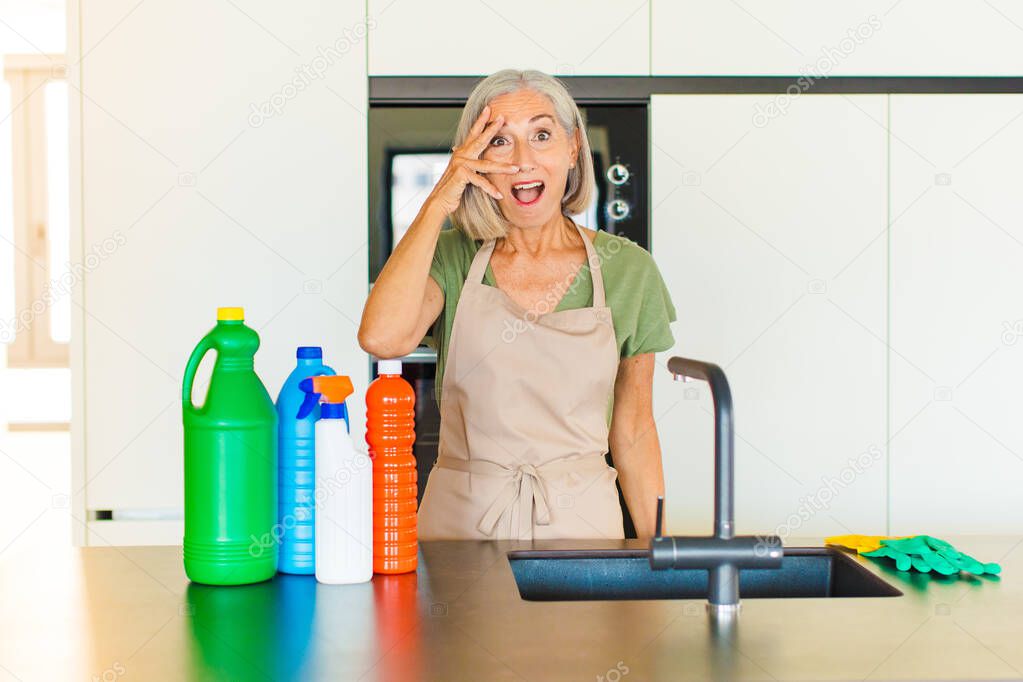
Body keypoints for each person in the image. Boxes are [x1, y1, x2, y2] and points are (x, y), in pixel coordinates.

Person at [359, 69, 676, 540]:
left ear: (572, 148)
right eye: (500, 142)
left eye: (542, 135)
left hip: (582, 530)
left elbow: (633, 431)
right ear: (476, 160)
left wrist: (663, 559)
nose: (523, 161)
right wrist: (440, 199)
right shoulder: (454, 255)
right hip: (460, 533)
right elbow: (382, 338)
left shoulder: (627, 269)